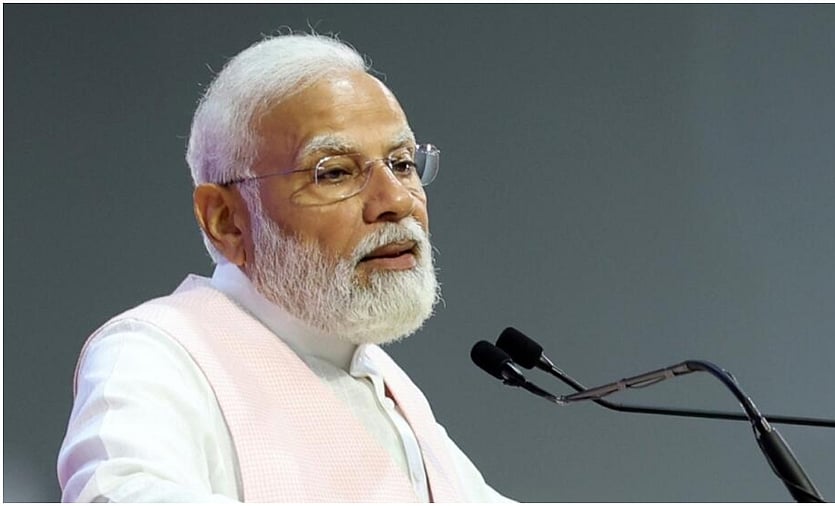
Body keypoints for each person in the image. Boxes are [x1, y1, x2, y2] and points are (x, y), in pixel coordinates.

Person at [57, 33, 513, 503]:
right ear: (226, 220)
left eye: (400, 163)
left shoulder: (381, 378)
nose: (395, 201)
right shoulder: (157, 353)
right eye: (334, 172)